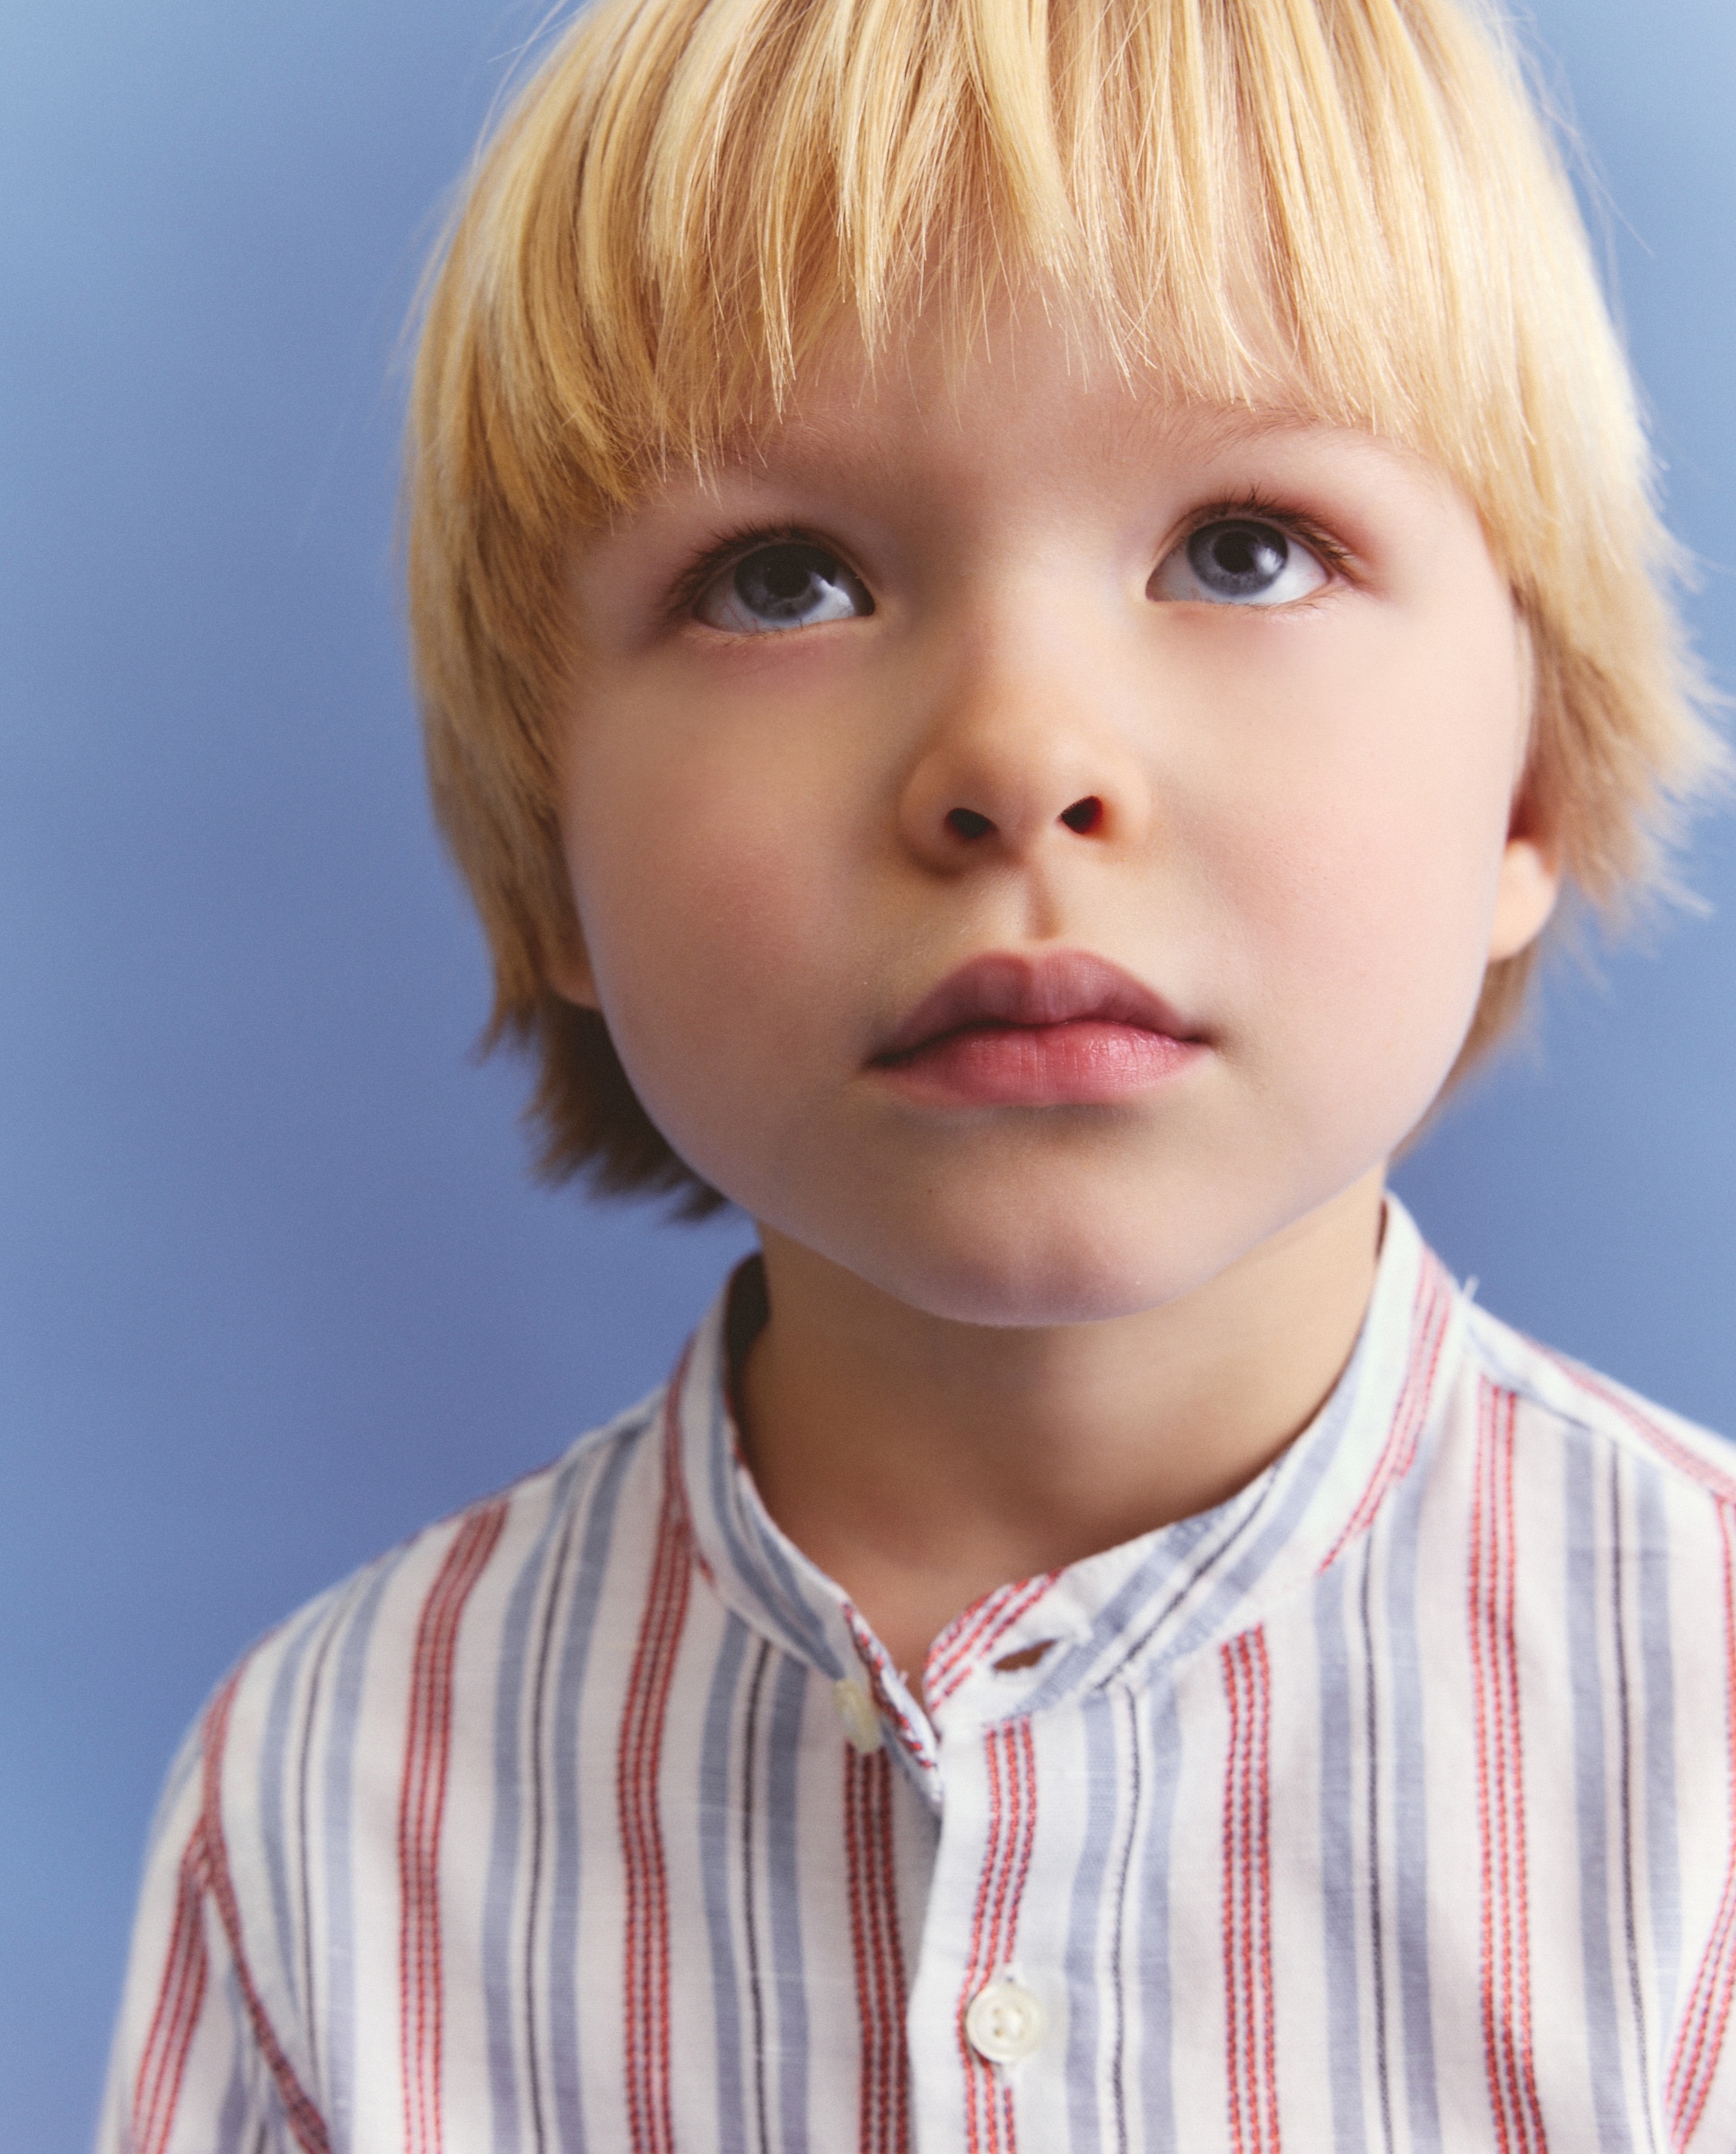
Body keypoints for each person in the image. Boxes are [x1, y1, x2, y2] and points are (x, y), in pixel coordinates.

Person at [100, 0, 1736, 2148]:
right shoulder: (324, 1806)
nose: (1021, 758)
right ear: (551, 863)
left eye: (1240, 547)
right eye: (785, 580)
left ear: (1526, 772)